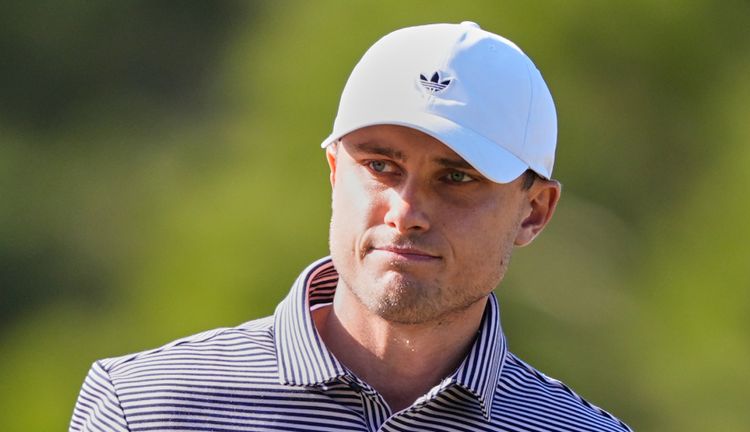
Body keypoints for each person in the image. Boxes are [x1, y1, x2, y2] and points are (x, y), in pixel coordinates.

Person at [70, 22, 631, 431]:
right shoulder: (145, 408)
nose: (405, 210)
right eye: (381, 167)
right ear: (336, 173)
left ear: (534, 212)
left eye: (457, 178)